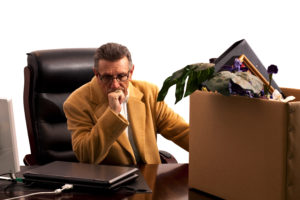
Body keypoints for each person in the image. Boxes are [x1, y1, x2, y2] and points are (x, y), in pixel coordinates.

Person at [63, 43, 189, 165]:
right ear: (96, 74)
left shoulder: (149, 93)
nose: (115, 85)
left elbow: (181, 132)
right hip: (111, 181)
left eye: (121, 76)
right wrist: (112, 114)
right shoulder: (76, 103)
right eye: (107, 77)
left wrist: (207, 149)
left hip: (150, 178)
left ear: (131, 72)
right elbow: (86, 157)